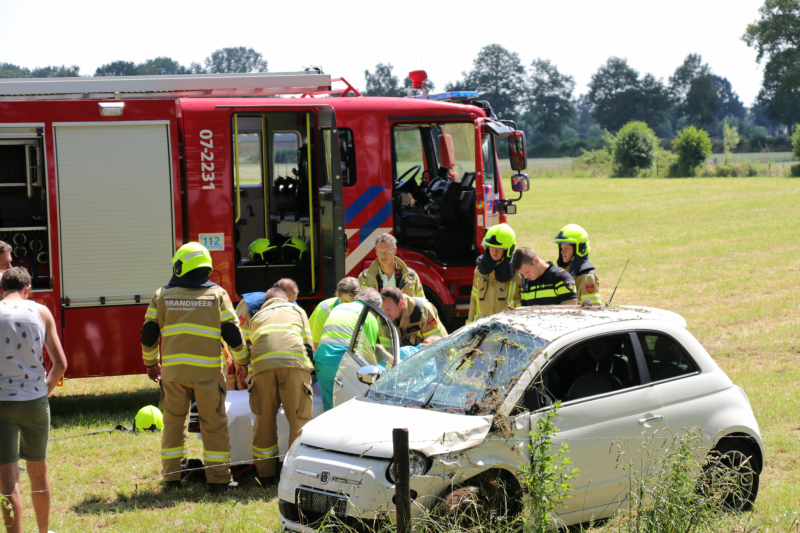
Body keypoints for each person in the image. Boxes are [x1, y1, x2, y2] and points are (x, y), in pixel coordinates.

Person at [140, 242, 247, 493]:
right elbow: (232, 333)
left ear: (180, 266)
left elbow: (148, 333)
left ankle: (172, 477)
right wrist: (242, 362)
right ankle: (219, 481)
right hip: (208, 374)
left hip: (174, 375)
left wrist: (151, 363)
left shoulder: (162, 295)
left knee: (174, 424)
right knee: (214, 424)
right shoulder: (218, 295)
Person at [0, 267, 67, 533]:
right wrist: (42, 392)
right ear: (28, 289)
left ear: (2, 288)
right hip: (36, 402)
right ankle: (43, 531)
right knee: (38, 471)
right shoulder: (41, 312)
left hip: (2, 403)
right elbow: (60, 364)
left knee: (7, 480)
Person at [235, 287, 313, 486]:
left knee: (264, 421)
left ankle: (266, 475)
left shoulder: (258, 316)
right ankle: (298, 475)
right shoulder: (297, 311)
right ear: (285, 299)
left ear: (265, 301)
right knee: (298, 420)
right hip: (294, 366)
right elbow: (308, 345)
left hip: (262, 369)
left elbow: (246, 346)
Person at [314, 289, 383, 411]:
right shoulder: (369, 316)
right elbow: (368, 356)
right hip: (343, 362)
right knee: (347, 408)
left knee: (329, 408)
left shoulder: (338, 308)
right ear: (376, 308)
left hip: (322, 359)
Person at [467, 224, 523, 323]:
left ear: (508, 249)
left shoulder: (518, 273)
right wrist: (469, 325)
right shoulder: (479, 271)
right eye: (491, 247)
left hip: (508, 329)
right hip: (482, 328)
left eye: (499, 248)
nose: (494, 251)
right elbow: (474, 301)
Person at [358, 233, 424, 298]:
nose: (383, 256)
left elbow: (422, 304)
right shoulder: (364, 278)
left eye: (387, 252)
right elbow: (358, 305)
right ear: (376, 251)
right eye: (380, 252)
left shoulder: (411, 276)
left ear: (395, 250)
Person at [380, 287, 447, 346]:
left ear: (401, 304)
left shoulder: (423, 311)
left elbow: (437, 345)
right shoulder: (382, 316)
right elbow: (387, 349)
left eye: (388, 309)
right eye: (383, 309)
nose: (385, 313)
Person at [553, 224, 602, 305]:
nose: (562, 252)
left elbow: (592, 310)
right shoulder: (564, 273)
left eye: (567, 248)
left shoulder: (587, 277)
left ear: (580, 248)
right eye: (561, 248)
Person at [511, 247, 578, 306]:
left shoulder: (561, 277)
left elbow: (570, 312)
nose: (525, 277)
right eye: (522, 274)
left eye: (527, 272)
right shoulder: (526, 281)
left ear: (536, 261)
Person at [309, 277, 360, 349]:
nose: (349, 307)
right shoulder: (323, 310)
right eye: (344, 302)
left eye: (352, 303)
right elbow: (315, 345)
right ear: (337, 295)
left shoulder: (361, 308)